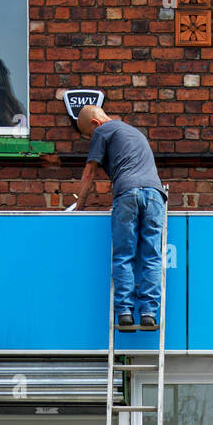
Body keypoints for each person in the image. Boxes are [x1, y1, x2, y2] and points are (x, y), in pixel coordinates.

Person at [73, 103, 166, 334]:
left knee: (124, 255)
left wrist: (79, 206)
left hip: (128, 193)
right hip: (155, 195)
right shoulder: (133, 131)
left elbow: (89, 172)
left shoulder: (103, 130)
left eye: (88, 135)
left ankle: (124, 312)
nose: (91, 138)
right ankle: (148, 314)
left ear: (95, 123)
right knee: (152, 256)